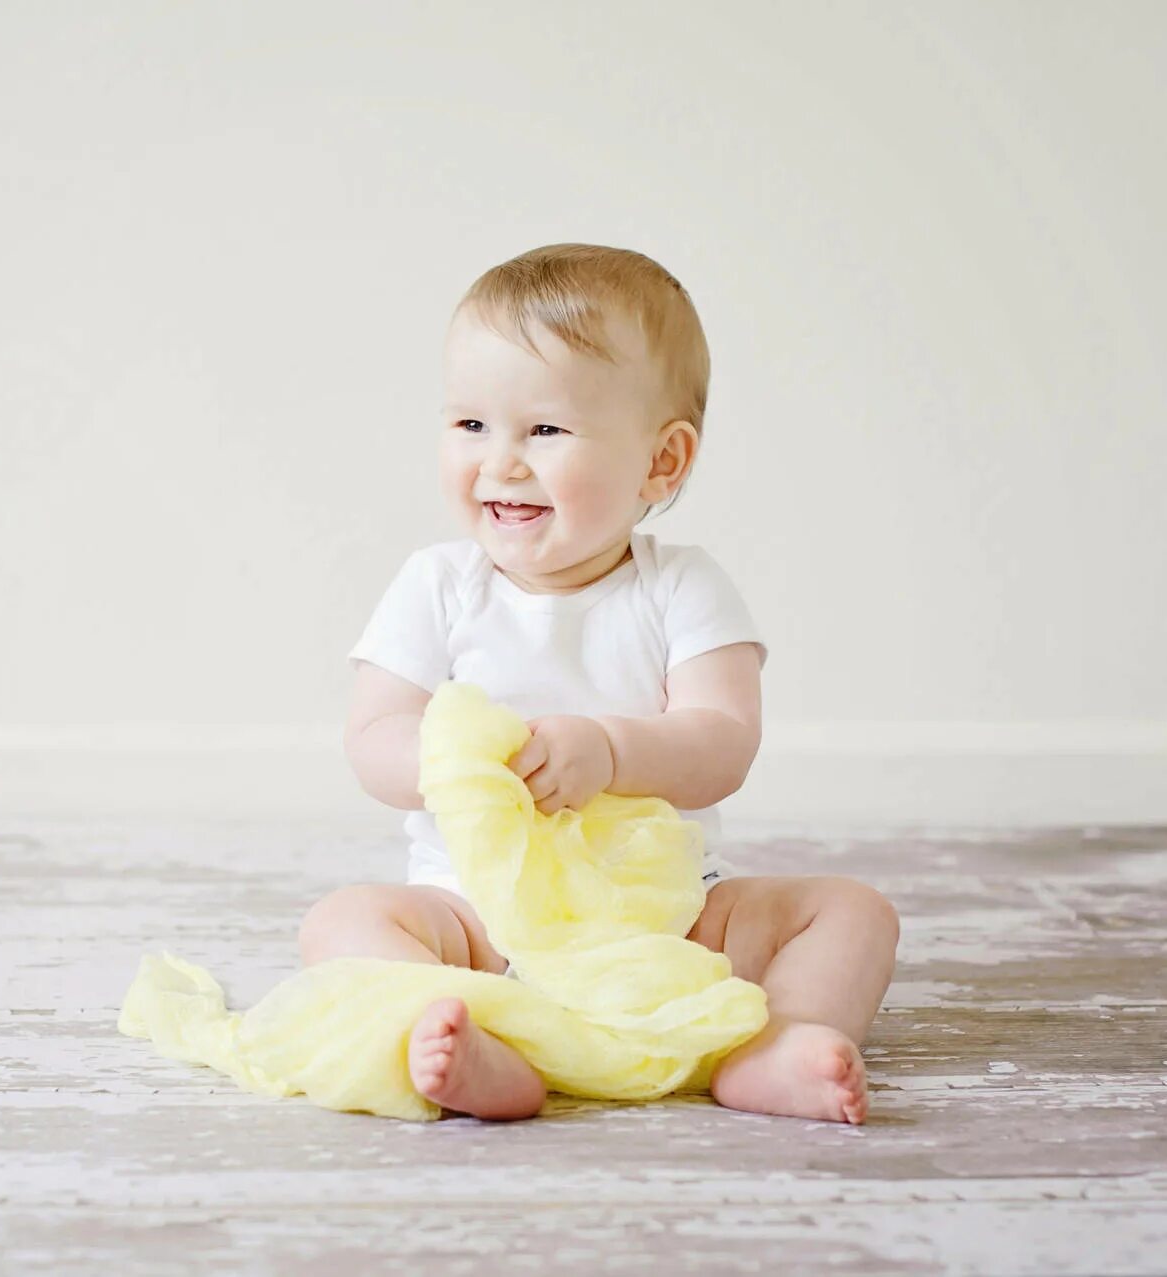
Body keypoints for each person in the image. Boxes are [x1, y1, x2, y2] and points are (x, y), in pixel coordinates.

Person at [303, 243, 900, 1123]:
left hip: (664, 921)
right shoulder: (437, 585)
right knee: (341, 922)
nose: (500, 461)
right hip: (476, 917)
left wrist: (612, 749)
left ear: (662, 462)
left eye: (544, 430)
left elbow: (723, 740)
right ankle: (482, 1040)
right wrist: (461, 766)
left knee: (854, 913)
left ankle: (779, 1042)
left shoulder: (680, 588)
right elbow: (373, 736)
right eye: (471, 424)